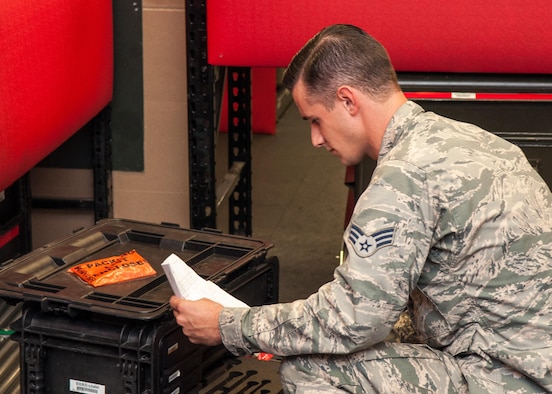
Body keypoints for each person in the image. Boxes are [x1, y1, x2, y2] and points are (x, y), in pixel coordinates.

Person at [170, 24, 552, 393]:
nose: (316, 139)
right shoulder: (470, 140)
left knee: (310, 367)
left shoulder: (403, 176)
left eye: (315, 120)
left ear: (348, 100)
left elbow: (352, 319)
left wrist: (229, 325)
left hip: (508, 377)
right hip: (530, 359)